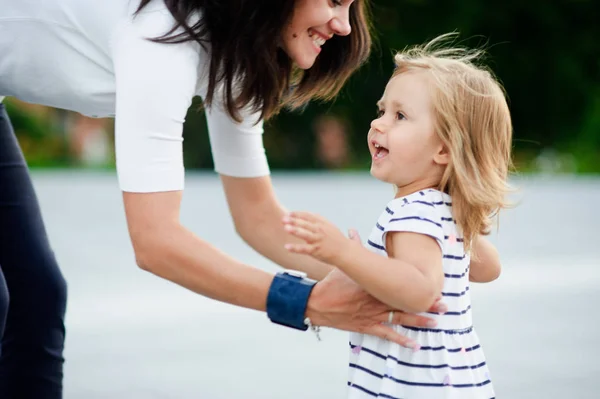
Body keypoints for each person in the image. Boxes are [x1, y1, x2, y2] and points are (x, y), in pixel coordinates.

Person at [0, 0, 447, 397]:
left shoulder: (238, 50)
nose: (345, 25)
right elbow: (155, 243)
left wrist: (384, 281)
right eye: (332, 1)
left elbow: (258, 218)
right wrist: (306, 302)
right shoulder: (163, 36)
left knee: (35, 299)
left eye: (351, 7)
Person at [283, 33, 512, 398]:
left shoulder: (410, 214)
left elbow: (421, 291)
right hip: (462, 383)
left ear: (443, 149)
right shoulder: (443, 212)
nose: (378, 124)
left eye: (400, 115)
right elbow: (490, 267)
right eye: (381, 111)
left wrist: (345, 254)